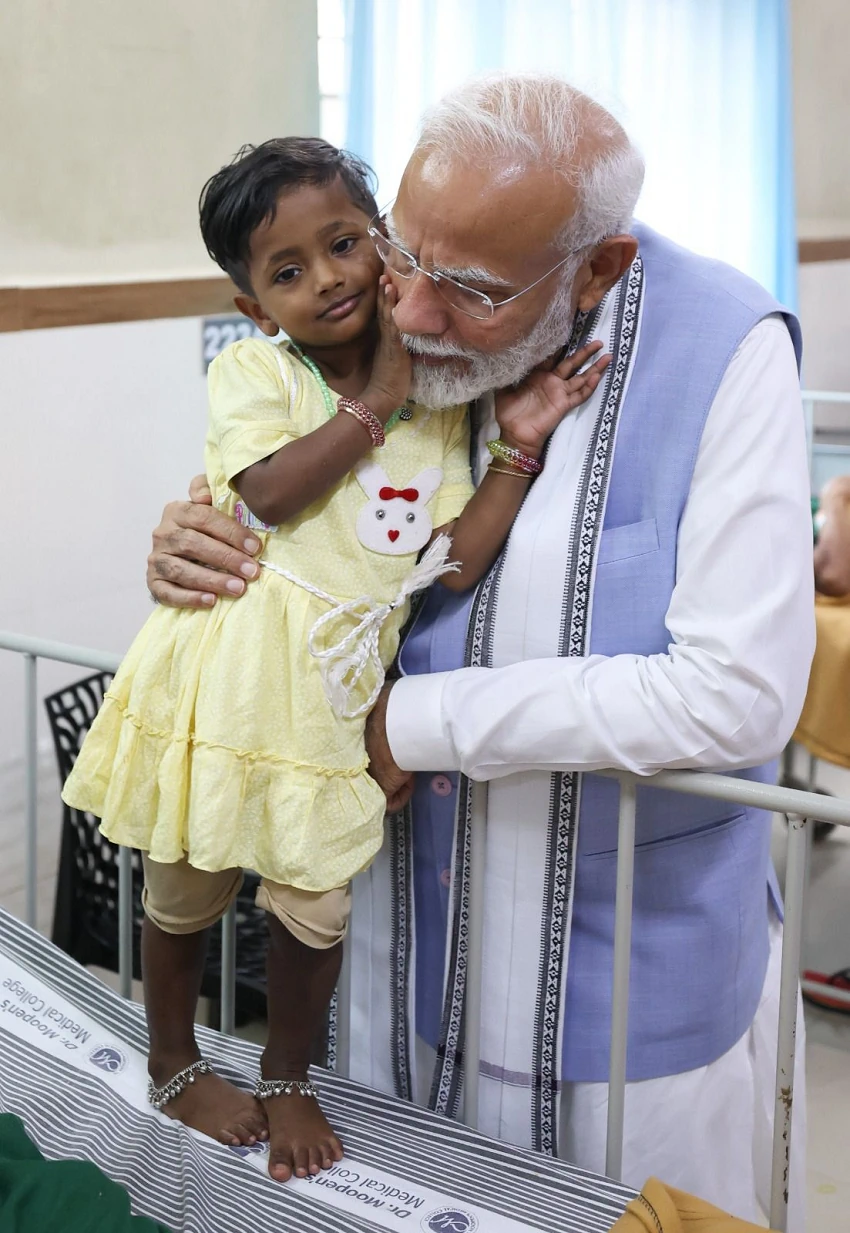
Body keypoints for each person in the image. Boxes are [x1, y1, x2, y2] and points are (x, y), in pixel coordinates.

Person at [145, 76, 814, 1228]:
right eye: (407, 252)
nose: (409, 310)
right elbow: (329, 525)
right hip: (392, 955)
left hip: (617, 1006)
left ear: (594, 270)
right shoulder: (388, 352)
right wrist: (195, 542)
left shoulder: (726, 350)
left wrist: (413, 721)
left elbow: (737, 695)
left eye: (471, 290)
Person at [62, 136, 607, 1184]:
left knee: (314, 908)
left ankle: (285, 1074)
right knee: (185, 886)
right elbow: (267, 493)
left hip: (330, 698)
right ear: (258, 306)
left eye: (346, 243)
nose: (330, 278)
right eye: (288, 271)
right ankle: (173, 1059)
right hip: (228, 678)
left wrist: (519, 446)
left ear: (388, 244)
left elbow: (449, 561)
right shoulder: (257, 369)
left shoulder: (445, 407)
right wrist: (377, 398)